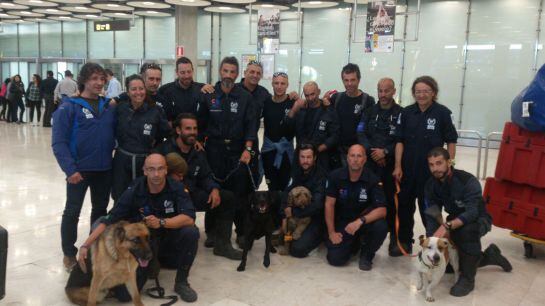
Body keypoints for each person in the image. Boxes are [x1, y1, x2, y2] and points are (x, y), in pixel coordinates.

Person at [77, 154, 200, 303]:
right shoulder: (135, 188)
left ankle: (181, 282)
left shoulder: (176, 187)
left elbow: (189, 217)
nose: (156, 174)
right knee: (124, 296)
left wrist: (162, 222)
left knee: (191, 232)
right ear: (144, 171)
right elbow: (110, 219)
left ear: (166, 170)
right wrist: (86, 244)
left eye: (160, 169)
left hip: (169, 237)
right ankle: (152, 263)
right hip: (142, 244)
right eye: (151, 169)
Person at [52, 63, 116, 271]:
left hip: (104, 169)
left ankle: (92, 247)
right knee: (72, 211)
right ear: (84, 81)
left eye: (101, 79)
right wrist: (70, 169)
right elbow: (59, 142)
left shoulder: (108, 106)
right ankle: (69, 254)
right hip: (79, 171)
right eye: (94, 79)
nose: (99, 83)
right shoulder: (69, 107)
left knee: (100, 211)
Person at [424, 147, 512, 297]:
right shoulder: (431, 184)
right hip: (455, 219)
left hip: (478, 219)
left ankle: (467, 279)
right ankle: (491, 256)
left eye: (439, 163)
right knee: (448, 257)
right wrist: (433, 238)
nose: (435, 169)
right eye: (431, 165)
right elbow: (433, 212)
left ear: (449, 162)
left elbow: (472, 212)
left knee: (466, 233)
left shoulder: (467, 181)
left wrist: (448, 226)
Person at [156, 113, 242, 260]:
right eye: (188, 128)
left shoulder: (198, 151)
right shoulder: (164, 150)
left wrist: (214, 189)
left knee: (226, 197)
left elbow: (206, 175)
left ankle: (222, 245)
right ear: (178, 130)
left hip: (192, 194)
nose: (192, 132)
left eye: (195, 129)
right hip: (170, 198)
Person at [392, 75, 458, 255]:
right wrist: (398, 166)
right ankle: (405, 242)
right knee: (405, 208)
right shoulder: (405, 113)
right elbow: (399, 141)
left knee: (430, 210)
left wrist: (449, 165)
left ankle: (435, 246)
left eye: (426, 91)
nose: (421, 95)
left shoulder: (443, 113)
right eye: (418, 91)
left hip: (431, 175)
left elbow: (451, 140)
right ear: (413, 93)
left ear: (433, 93)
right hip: (407, 172)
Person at [198, 56, 258, 246]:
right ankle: (213, 233)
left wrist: (248, 149)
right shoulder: (209, 94)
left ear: (237, 74)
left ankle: (240, 232)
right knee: (214, 190)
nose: (229, 75)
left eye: (232, 72)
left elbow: (251, 126)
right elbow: (200, 122)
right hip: (214, 150)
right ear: (220, 71)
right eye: (226, 71)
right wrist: (199, 142)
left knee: (239, 193)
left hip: (237, 150)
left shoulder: (245, 97)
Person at [357, 77, 402, 256]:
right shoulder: (369, 111)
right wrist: (372, 152)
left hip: (391, 167)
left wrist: (385, 152)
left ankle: (395, 239)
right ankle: (365, 237)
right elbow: (360, 132)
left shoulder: (401, 113)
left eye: (386, 91)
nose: (383, 94)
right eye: (380, 90)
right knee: (367, 201)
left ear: (393, 91)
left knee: (393, 204)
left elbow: (402, 138)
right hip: (369, 165)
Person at [325, 144, 388, 271]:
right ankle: (354, 244)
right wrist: (331, 232)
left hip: (363, 222)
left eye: (359, 156)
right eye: (352, 155)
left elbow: (382, 210)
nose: (355, 159)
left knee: (381, 226)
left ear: (365, 159)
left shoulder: (373, 179)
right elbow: (329, 204)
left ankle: (367, 255)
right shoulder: (335, 176)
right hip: (344, 222)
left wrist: (360, 221)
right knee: (335, 259)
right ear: (347, 158)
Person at [111, 74, 171, 202]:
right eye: (134, 89)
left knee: (145, 198)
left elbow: (167, 134)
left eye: (141, 88)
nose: (138, 92)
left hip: (145, 162)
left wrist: (155, 151)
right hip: (122, 161)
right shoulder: (120, 108)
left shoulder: (156, 111)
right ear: (127, 92)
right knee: (120, 198)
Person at [323, 63, 376, 167]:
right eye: (346, 80)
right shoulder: (336, 98)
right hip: (337, 153)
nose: (349, 84)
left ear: (359, 80)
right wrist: (323, 102)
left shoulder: (368, 101)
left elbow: (369, 129)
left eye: (352, 80)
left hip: (358, 154)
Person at [280, 144, 327, 258]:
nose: (305, 161)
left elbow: (318, 205)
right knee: (276, 196)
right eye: (302, 157)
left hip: (314, 218)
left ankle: (320, 236)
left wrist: (293, 212)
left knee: (297, 250)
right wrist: (284, 215)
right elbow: (286, 192)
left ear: (314, 157)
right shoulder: (296, 171)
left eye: (308, 157)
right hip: (296, 215)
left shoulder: (321, 175)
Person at [285, 81, 340, 170]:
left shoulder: (328, 110)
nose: (310, 98)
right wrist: (294, 109)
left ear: (319, 91)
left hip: (321, 159)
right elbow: (287, 128)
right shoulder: (300, 109)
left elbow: (335, 135)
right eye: (307, 95)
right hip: (301, 159)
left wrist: (317, 150)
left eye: (312, 94)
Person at [237, 60, 272, 186]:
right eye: (252, 72)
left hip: (253, 140)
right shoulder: (234, 90)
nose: (255, 75)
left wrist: (292, 97)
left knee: (252, 175)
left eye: (258, 73)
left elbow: (276, 103)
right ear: (245, 72)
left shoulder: (263, 94)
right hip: (234, 140)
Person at [261, 72, 296, 192]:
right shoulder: (266, 102)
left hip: (286, 152)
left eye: (282, 83)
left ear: (287, 85)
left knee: (286, 188)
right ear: (272, 84)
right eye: (276, 83)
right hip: (268, 152)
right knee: (272, 187)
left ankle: (284, 210)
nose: (279, 86)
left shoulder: (293, 102)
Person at [158, 57, 214, 123]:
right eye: (182, 72)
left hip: (198, 132)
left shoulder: (202, 89)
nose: (186, 76)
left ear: (193, 71)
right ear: (177, 72)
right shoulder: (165, 90)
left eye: (189, 72)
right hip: (174, 132)